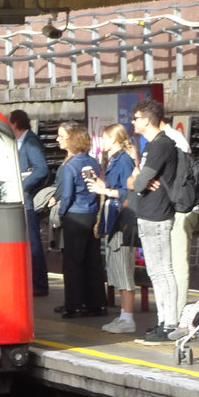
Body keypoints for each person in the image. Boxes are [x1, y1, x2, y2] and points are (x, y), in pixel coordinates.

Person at [129, 98, 181, 342]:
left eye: (136, 118)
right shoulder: (151, 145)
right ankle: (162, 321)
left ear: (147, 120)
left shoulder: (161, 145)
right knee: (155, 272)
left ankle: (170, 324)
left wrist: (139, 179)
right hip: (148, 212)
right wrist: (138, 179)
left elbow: (137, 182)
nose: (133, 122)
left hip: (158, 214)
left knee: (162, 271)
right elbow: (135, 182)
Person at [49, 121, 106, 317]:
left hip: (74, 215)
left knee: (72, 262)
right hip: (91, 214)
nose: (58, 140)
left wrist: (63, 213)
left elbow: (67, 195)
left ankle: (73, 305)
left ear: (72, 139)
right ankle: (95, 304)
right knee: (92, 260)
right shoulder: (92, 162)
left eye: (61, 136)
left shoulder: (70, 166)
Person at [86, 123, 138, 334]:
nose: (103, 142)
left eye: (106, 138)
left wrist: (104, 189)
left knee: (124, 269)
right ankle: (124, 316)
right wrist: (100, 183)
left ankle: (128, 317)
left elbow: (128, 192)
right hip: (114, 220)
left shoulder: (124, 161)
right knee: (117, 267)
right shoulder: (115, 160)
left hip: (122, 220)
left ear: (115, 140)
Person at [161, 120, 199, 325]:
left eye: (137, 118)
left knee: (178, 262)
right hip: (177, 207)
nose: (133, 122)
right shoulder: (170, 139)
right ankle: (172, 313)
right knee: (173, 262)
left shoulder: (172, 140)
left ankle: (177, 315)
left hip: (182, 208)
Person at [10, 109, 49, 296]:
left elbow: (41, 169)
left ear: (15, 124)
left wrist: (23, 184)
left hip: (28, 199)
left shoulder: (30, 142)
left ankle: (39, 283)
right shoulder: (20, 141)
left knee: (33, 242)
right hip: (22, 199)